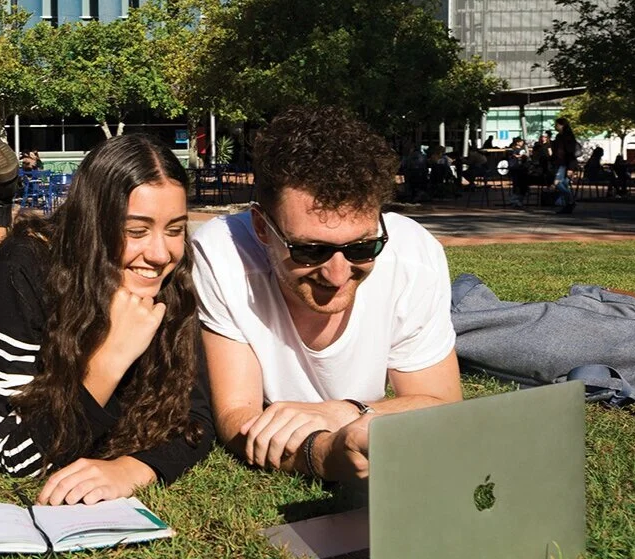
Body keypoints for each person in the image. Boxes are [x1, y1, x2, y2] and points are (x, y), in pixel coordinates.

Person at [0, 107, 214, 505]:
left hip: (4, 308)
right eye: (135, 231)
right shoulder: (23, 270)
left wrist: (132, 469)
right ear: (94, 224)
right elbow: (17, 456)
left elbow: (197, 415)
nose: (161, 254)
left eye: (174, 229)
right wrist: (108, 362)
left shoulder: (171, 277)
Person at [191, 106, 461, 482]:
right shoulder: (222, 253)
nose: (337, 274)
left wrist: (345, 412)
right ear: (262, 228)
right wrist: (322, 454)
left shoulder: (412, 254)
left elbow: (443, 406)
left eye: (362, 248)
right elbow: (239, 417)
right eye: (310, 250)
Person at [552, 118, 579, 215]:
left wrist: (571, 168)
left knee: (558, 183)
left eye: (556, 124)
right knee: (563, 184)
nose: (555, 126)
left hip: (565, 164)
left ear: (562, 125)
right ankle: (568, 204)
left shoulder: (566, 137)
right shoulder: (560, 136)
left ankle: (570, 202)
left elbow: (570, 153)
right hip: (562, 163)